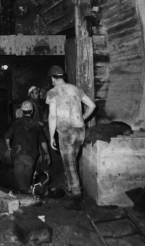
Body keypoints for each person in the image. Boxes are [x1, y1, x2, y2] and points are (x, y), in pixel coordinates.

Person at [45, 65, 96, 208]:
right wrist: (82, 118)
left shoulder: (53, 92)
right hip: (80, 130)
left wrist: (51, 137)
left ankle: (77, 199)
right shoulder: (75, 89)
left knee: (70, 167)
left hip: (66, 131)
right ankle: (69, 187)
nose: (52, 82)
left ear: (53, 78)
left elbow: (53, 116)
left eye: (52, 80)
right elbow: (92, 106)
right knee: (72, 163)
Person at [5, 100, 48, 194]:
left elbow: (7, 136)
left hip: (17, 154)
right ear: (32, 111)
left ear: (21, 111)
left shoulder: (16, 123)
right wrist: (47, 154)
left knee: (20, 181)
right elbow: (43, 141)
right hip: (31, 155)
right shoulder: (36, 125)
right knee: (27, 180)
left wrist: (9, 148)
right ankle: (26, 194)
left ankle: (22, 195)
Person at [28, 85, 51, 167]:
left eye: (38, 92)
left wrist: (43, 120)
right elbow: (26, 117)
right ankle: (37, 168)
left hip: (37, 129)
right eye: (36, 93)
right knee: (38, 150)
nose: (38, 94)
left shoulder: (36, 103)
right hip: (33, 130)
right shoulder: (30, 103)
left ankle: (40, 167)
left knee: (41, 149)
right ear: (31, 94)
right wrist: (38, 122)